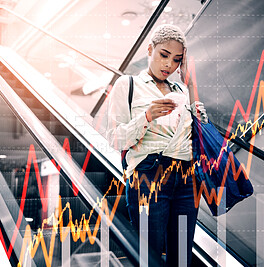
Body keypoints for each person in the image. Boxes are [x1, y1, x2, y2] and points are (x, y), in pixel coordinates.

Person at [105, 24, 208, 266]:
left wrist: (191, 87)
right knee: (149, 255)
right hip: (149, 175)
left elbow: (198, 135)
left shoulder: (182, 90)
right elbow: (114, 138)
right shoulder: (128, 85)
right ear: (150, 49)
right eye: (163, 55)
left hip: (187, 177)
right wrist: (147, 116)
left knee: (182, 256)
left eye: (176, 60)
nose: (169, 65)